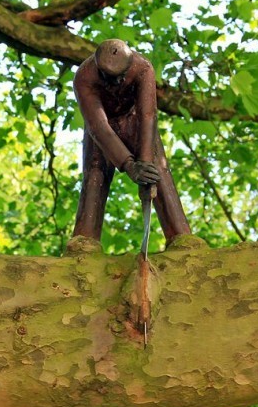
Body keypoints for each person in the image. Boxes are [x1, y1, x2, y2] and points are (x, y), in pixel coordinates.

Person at [66, 39, 202, 254]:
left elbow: (148, 115)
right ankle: (84, 243)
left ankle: (181, 237)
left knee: (157, 169)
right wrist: (129, 165)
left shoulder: (143, 68)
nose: (117, 82)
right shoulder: (84, 76)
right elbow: (98, 126)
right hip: (102, 127)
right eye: (111, 79)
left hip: (136, 121)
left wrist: (145, 162)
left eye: (121, 76)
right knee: (95, 174)